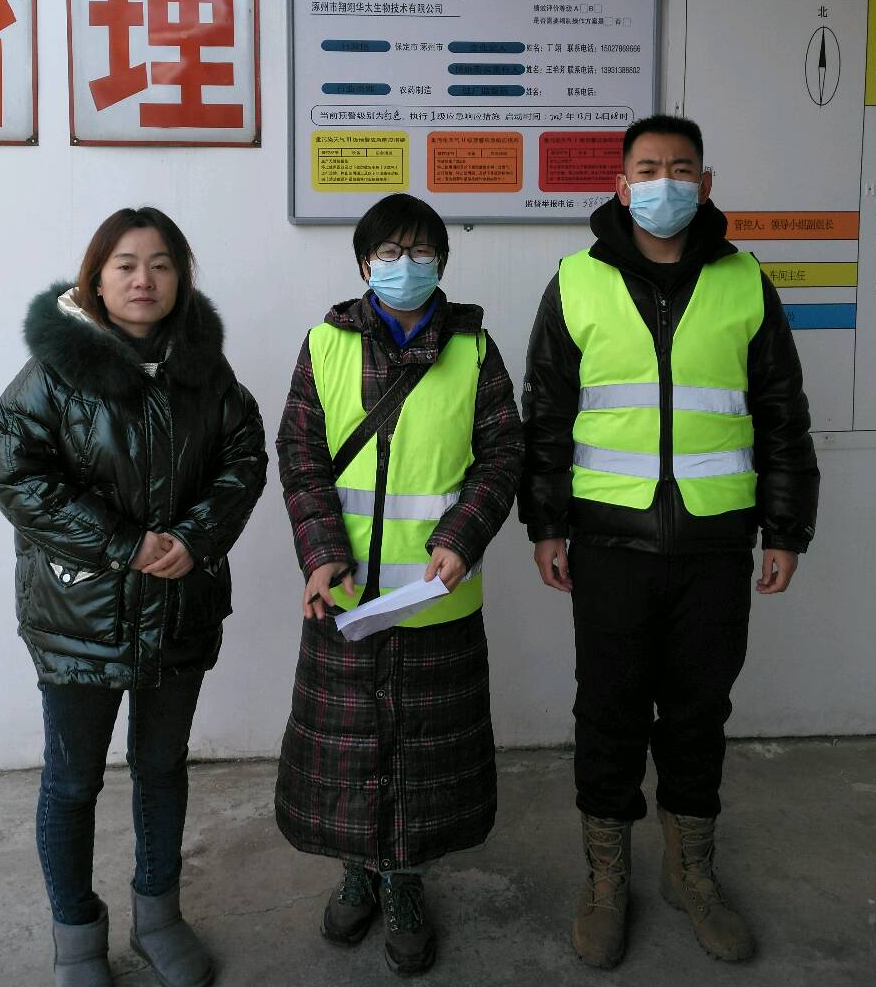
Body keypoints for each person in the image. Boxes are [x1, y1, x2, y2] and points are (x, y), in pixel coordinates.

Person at [520, 114, 820, 970]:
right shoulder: (576, 282)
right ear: (621, 185)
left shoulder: (744, 281)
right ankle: (606, 879)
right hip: (607, 544)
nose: (665, 183)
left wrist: (786, 529)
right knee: (608, 713)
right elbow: (547, 416)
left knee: (698, 714)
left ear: (706, 183)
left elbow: (782, 415)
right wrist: (546, 524)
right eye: (648, 168)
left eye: (681, 168)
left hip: (714, 545)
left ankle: (692, 873)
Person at [0, 207, 267, 987]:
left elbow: (244, 458)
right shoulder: (52, 374)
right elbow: (19, 478)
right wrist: (124, 544)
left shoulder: (206, 372)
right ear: (97, 277)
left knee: (161, 767)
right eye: (125, 264)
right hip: (78, 615)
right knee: (72, 780)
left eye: (161, 264)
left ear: (180, 279)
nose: (144, 279)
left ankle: (159, 917)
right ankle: (76, 938)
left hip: (179, 607)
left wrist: (196, 536)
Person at [275, 192, 523, 976]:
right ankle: (359, 869)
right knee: (351, 754)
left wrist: (461, 538)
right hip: (346, 597)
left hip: (435, 596)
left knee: (422, 756)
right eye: (389, 252)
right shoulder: (323, 344)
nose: (405, 265)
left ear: (442, 262)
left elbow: (503, 457)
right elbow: (301, 458)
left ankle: (405, 878)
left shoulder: (475, 351)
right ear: (363, 265)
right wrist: (320, 552)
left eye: (421, 252)